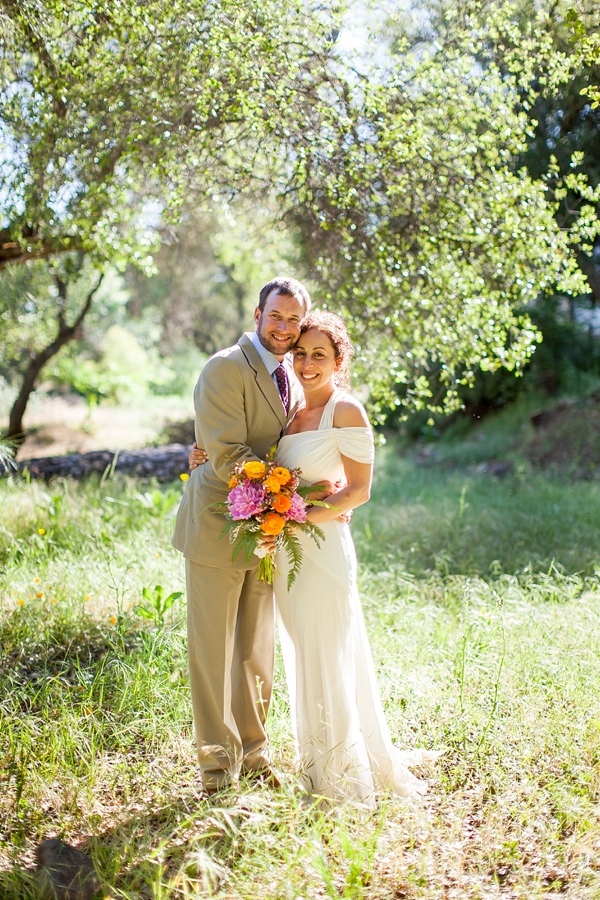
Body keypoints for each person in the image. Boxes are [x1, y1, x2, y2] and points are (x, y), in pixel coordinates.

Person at [191, 310, 440, 805]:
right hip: (286, 556)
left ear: (339, 360)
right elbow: (251, 452)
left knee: (327, 651)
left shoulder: (346, 411)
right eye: (300, 352)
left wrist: (298, 513)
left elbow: (359, 492)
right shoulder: (293, 413)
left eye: (319, 354)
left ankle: (340, 775)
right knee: (304, 653)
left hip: (320, 552)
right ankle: (315, 762)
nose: (306, 362)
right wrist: (200, 453)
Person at [172, 275, 311, 795]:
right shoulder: (226, 367)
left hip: (269, 529)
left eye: (294, 320)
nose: (284, 328)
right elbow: (226, 450)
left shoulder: (292, 376)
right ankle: (215, 765)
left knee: (254, 648)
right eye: (276, 316)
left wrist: (301, 498)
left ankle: (253, 754)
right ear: (257, 315)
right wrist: (291, 491)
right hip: (216, 525)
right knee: (212, 650)